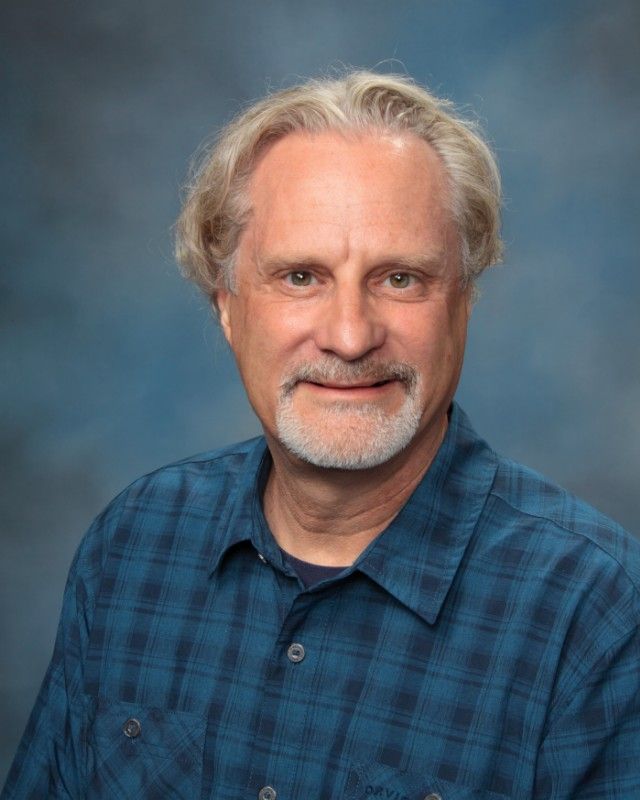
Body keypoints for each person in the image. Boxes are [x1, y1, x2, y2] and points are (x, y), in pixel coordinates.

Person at [3, 71, 639, 800]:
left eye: (400, 278)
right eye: (301, 276)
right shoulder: (133, 547)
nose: (348, 335)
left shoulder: (597, 615)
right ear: (227, 307)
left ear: (463, 305)